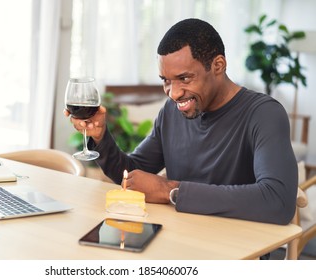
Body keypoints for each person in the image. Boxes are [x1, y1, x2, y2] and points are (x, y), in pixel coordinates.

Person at [65, 18, 298, 226]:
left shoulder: (264, 114)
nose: (173, 93)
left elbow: (277, 201)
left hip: (243, 248)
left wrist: (169, 190)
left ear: (218, 66)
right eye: (165, 80)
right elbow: (133, 174)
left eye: (184, 78)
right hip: (180, 237)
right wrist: (100, 136)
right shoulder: (172, 111)